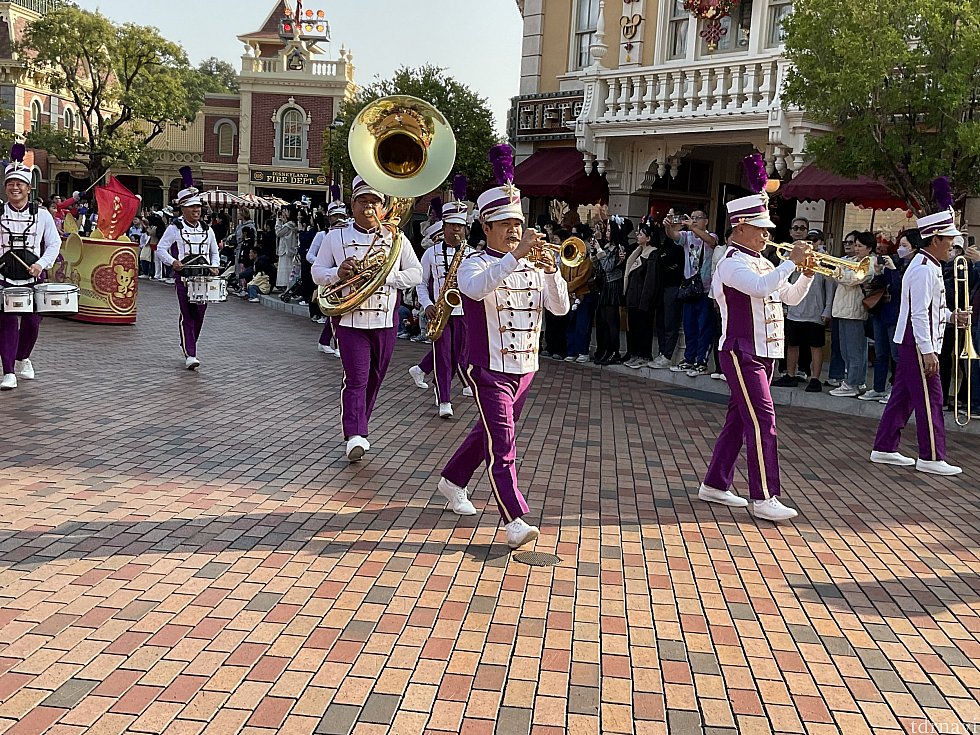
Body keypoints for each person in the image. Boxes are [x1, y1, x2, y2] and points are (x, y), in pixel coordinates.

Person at [435, 146, 570, 549]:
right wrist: (516, 256)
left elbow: (560, 309)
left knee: (490, 434)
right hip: (487, 366)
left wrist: (551, 273)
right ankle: (514, 518)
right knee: (504, 440)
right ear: (487, 228)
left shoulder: (533, 264)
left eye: (518, 224)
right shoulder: (474, 263)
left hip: (525, 367)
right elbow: (476, 289)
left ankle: (452, 479)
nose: (515, 231)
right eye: (506, 225)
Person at [697, 169, 814, 522]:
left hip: (765, 352)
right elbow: (762, 288)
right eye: (761, 229)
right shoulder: (730, 263)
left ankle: (716, 483)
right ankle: (764, 496)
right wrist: (790, 263)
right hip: (740, 350)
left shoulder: (763, 262)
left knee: (739, 420)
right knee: (763, 420)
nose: (767, 235)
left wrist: (805, 273)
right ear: (741, 227)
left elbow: (789, 298)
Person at [312, 175, 423, 462]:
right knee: (357, 378)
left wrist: (389, 275)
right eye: (364, 201)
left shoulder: (396, 239)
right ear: (353, 204)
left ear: (384, 206)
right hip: (350, 320)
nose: (369, 207)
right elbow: (317, 271)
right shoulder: (335, 236)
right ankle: (354, 433)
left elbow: (416, 274)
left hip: (386, 320)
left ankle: (361, 426)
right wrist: (337, 273)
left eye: (375, 201)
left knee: (375, 378)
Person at [870, 207, 971, 475]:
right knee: (931, 399)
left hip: (916, 339)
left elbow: (931, 310)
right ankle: (931, 456)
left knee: (903, 397)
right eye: (948, 239)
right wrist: (928, 351)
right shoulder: (924, 268)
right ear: (935, 239)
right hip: (917, 342)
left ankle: (884, 447)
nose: (952, 244)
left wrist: (951, 316)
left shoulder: (929, 266)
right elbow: (919, 313)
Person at [0, 148, 62, 390]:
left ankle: (22, 356)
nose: (15, 187)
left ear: (28, 188)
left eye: (20, 184)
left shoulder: (43, 215)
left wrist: (41, 264)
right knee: (5, 322)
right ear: (6, 188)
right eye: (10, 183)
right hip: (4, 276)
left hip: (32, 276)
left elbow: (54, 243)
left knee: (33, 322)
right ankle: (8, 371)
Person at [155, 169, 220, 370]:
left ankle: (190, 344)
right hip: (184, 279)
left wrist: (215, 267)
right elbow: (160, 249)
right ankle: (190, 353)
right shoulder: (174, 228)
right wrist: (173, 262)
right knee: (187, 314)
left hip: (204, 280)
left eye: (198, 207)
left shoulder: (208, 230)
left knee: (199, 315)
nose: (196, 210)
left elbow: (214, 252)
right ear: (183, 208)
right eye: (192, 207)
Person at [415, 200, 471, 418]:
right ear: (444, 225)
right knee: (443, 356)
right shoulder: (431, 253)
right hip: (439, 312)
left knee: (458, 355)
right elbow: (421, 282)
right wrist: (427, 304)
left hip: (464, 312)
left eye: (460, 226)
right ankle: (445, 399)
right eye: (452, 225)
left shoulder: (471, 254)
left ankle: (441, 387)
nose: (456, 230)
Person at [773, 230, 834, 393]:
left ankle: (815, 379)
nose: (811, 243)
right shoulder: (795, 258)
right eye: (808, 240)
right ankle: (790, 375)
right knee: (792, 344)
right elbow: (781, 277)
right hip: (795, 311)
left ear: (820, 242)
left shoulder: (823, 260)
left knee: (816, 346)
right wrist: (790, 254)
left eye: (814, 240)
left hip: (816, 312)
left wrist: (827, 310)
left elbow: (829, 287)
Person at [665, 209, 717, 376]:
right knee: (689, 326)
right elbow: (673, 235)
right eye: (692, 218)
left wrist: (692, 227)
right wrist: (668, 226)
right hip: (689, 289)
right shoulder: (687, 237)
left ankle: (701, 361)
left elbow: (710, 241)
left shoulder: (712, 236)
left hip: (705, 289)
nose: (693, 220)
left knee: (704, 327)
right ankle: (689, 358)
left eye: (697, 218)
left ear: (706, 221)